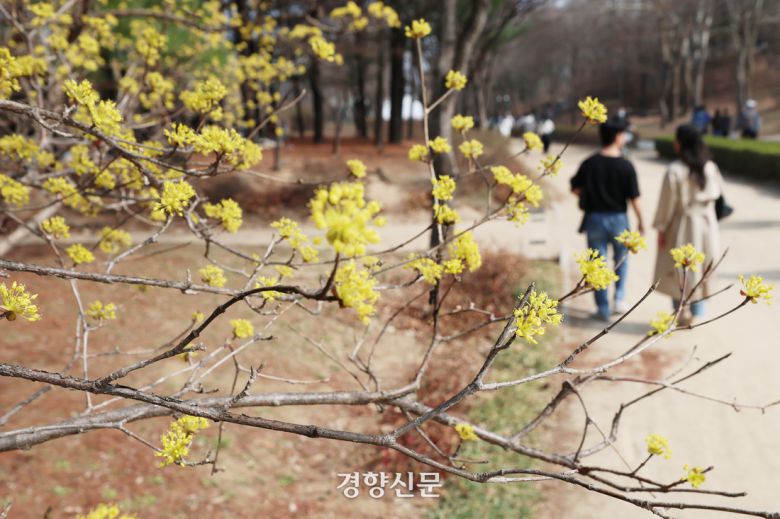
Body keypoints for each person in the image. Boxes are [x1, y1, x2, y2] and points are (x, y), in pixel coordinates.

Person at [571, 117, 645, 321]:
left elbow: (575, 188)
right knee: (621, 259)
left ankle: (602, 307)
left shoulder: (589, 163)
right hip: (619, 219)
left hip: (594, 218)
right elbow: (634, 198)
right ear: (617, 136)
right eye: (623, 134)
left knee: (597, 262)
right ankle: (619, 298)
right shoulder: (626, 165)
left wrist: (589, 195)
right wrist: (641, 221)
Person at [653, 124, 723, 324]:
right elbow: (718, 195)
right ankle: (698, 312)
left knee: (680, 267)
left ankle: (681, 312)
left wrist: (661, 228)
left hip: (682, 225)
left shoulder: (675, 170)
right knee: (701, 266)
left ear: (680, 144)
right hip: (706, 226)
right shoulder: (710, 167)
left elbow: (667, 205)